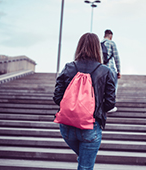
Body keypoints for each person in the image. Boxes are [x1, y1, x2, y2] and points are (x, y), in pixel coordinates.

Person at [53, 33, 116, 170]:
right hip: (90, 126)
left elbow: (57, 97)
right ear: (97, 49)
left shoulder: (69, 67)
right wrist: (93, 109)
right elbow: (110, 103)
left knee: (83, 159)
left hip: (67, 126)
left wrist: (73, 106)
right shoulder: (105, 71)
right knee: (85, 166)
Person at [101, 29, 121, 113]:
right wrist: (119, 70)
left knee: (102, 86)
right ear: (111, 36)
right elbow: (116, 57)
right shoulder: (112, 43)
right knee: (112, 86)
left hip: (100, 69)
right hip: (110, 68)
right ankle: (110, 106)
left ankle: (101, 104)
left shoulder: (99, 43)